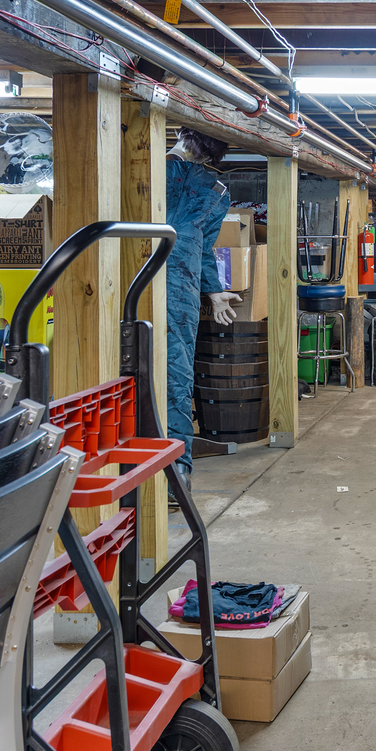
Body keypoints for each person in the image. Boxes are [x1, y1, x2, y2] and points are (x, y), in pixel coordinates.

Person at [167, 128, 241, 492]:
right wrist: (213, 290)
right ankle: (175, 475)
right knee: (175, 376)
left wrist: (213, 290)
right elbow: (204, 246)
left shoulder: (144, 170)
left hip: (122, 280)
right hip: (179, 290)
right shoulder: (216, 191)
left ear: (181, 134)